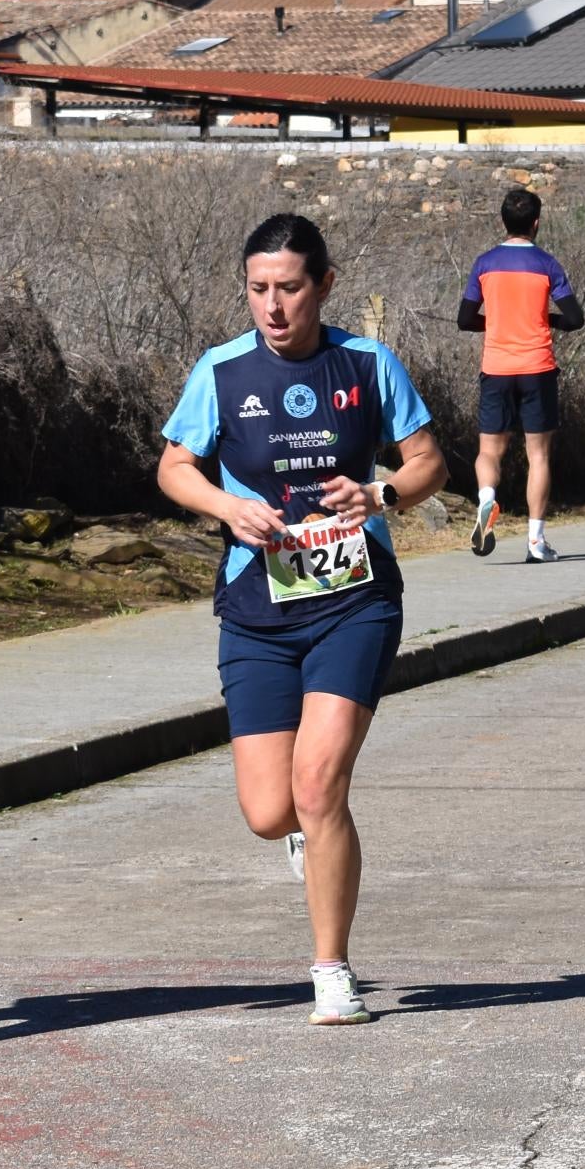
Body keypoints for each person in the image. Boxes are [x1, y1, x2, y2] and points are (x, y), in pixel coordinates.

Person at [160, 213, 451, 1023]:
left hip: (353, 602)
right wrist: (225, 504)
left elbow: (428, 459)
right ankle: (306, 838)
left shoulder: (366, 362)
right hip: (257, 607)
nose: (273, 306)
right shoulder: (220, 372)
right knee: (269, 811)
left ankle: (332, 971)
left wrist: (380, 493)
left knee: (320, 784)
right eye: (258, 289)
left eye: (289, 287)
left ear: (324, 285)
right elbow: (174, 465)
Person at [456, 188, 582, 564]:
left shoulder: (485, 263)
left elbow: (465, 319)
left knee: (488, 451)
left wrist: (495, 322)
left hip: (496, 368)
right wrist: (544, 318)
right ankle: (536, 542)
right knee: (538, 455)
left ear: (503, 222)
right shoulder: (547, 264)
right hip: (536, 368)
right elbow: (574, 319)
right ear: (536, 223)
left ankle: (487, 499)